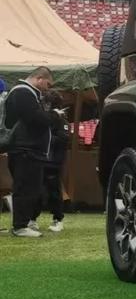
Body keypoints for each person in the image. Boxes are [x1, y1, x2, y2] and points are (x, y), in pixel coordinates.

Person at [4, 67, 56, 239]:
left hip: (27, 149)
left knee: (31, 188)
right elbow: (36, 119)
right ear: (39, 78)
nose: (47, 88)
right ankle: (20, 226)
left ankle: (24, 223)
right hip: (25, 149)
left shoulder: (27, 93)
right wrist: (53, 116)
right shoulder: (22, 93)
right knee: (25, 188)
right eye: (47, 84)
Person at [40, 92, 70, 233]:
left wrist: (45, 139)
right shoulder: (44, 118)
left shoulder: (61, 119)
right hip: (42, 158)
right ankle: (32, 218)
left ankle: (58, 219)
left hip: (53, 160)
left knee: (54, 191)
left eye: (47, 102)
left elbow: (63, 139)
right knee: (37, 190)